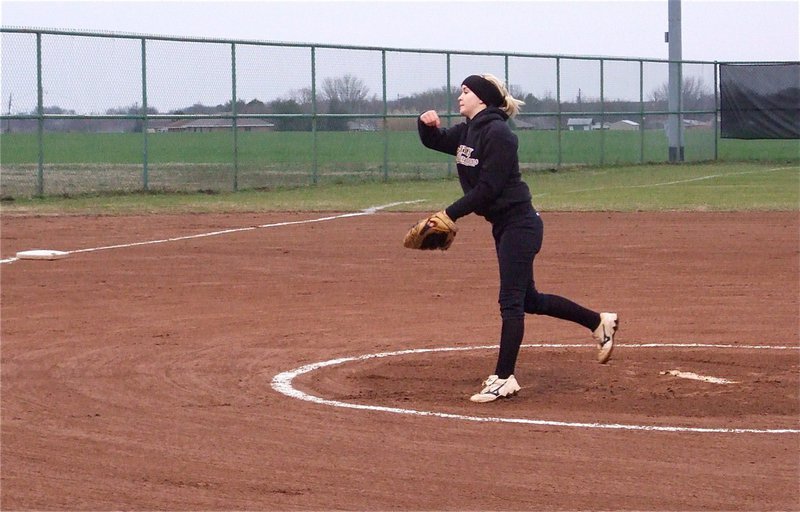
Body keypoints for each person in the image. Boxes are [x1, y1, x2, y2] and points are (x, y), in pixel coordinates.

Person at [416, 73, 619, 403]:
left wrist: (448, 214)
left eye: (466, 91)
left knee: (511, 302)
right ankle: (599, 322)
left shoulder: (499, 134)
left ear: (482, 98)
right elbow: (436, 141)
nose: (460, 97)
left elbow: (487, 190)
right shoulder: (469, 130)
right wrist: (426, 125)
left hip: (520, 226)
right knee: (529, 300)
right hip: (506, 226)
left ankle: (504, 377)